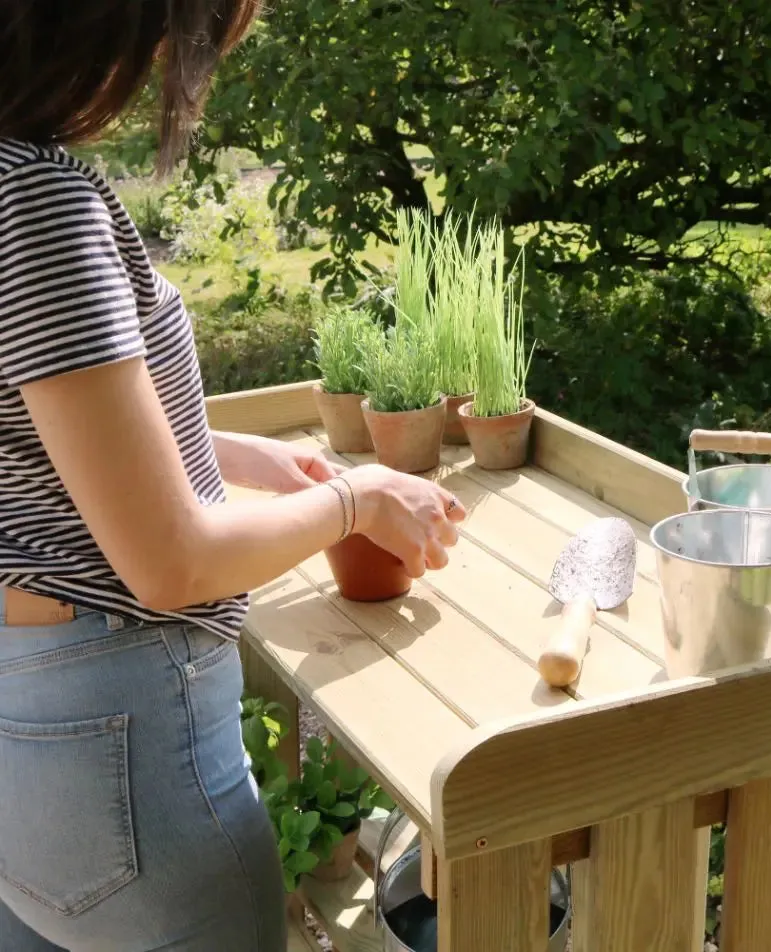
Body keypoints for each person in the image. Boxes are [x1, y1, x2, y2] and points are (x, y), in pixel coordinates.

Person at [0, 3, 467, 950]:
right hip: (122, 739)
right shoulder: (40, 203)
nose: (171, 72)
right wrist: (355, 501)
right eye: (187, 36)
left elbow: (46, 434)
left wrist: (238, 457)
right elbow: (168, 564)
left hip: (30, 727)